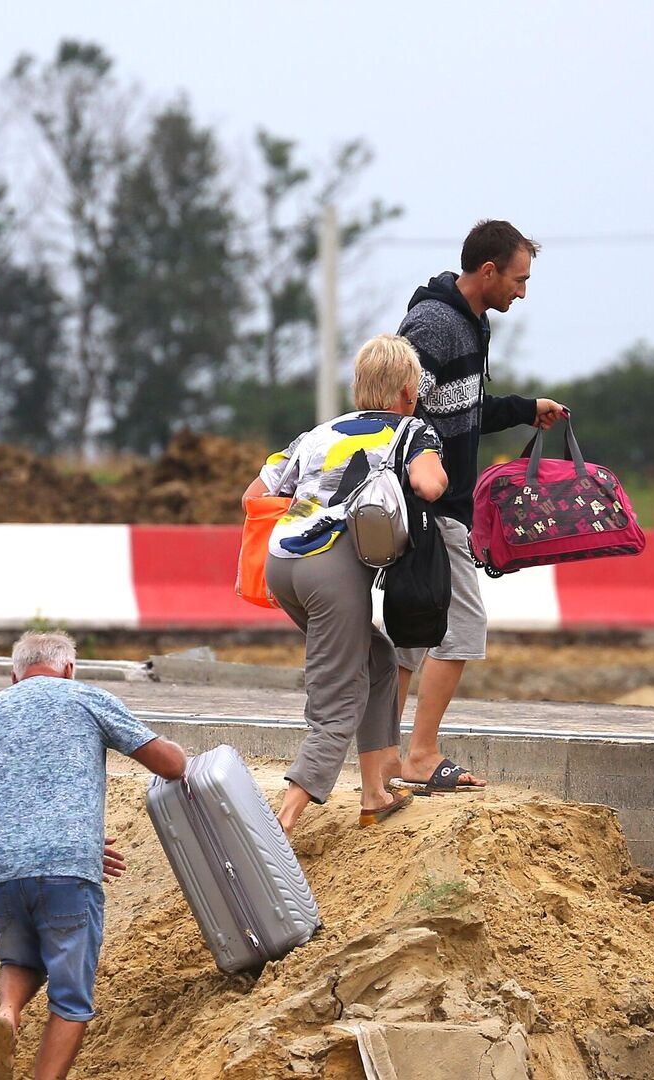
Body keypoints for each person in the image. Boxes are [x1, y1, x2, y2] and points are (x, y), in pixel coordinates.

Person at [242, 333, 449, 833]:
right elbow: (429, 484)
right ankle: (283, 820)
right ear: (407, 391)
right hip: (330, 568)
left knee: (376, 659)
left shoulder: (318, 433)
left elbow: (255, 493)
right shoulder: (412, 429)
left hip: (281, 562)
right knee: (337, 693)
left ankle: (377, 791)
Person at [392, 219, 567, 793]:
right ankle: (419, 755)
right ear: (487, 272)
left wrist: (522, 408)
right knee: (461, 627)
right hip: (431, 503)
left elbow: (461, 407)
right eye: (518, 280)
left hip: (440, 503)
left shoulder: (472, 323)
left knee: (411, 631)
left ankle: (383, 755)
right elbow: (393, 405)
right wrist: (419, 484)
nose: (522, 292)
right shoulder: (435, 324)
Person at [0, 629, 188, 1080]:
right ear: (69, 669)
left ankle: (7, 1014)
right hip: (66, 867)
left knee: (19, 958)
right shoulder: (84, 697)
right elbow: (170, 764)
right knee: (71, 1000)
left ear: (14, 675)